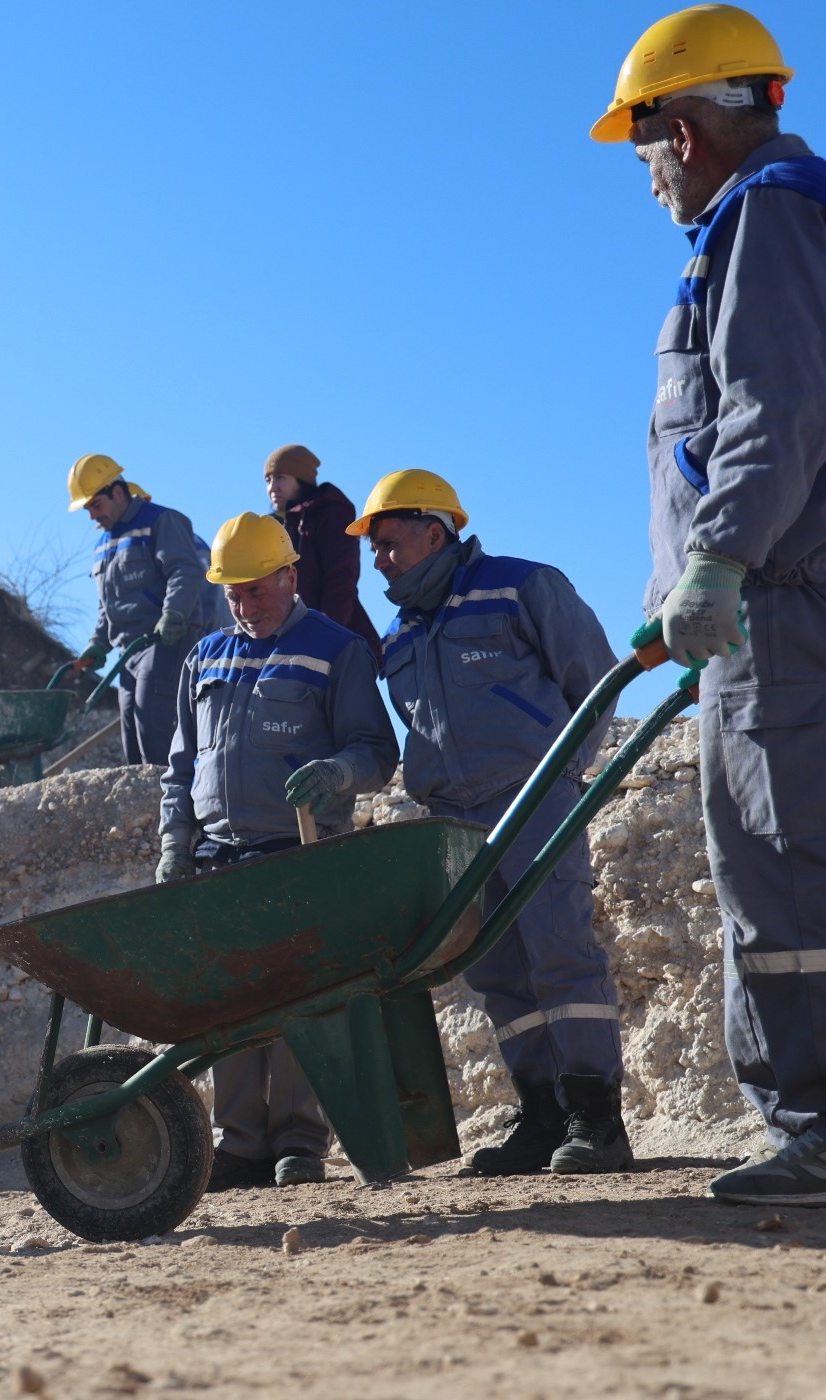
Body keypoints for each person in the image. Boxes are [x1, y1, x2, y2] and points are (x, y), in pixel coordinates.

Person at [592, 6, 826, 1203]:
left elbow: (773, 413)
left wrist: (721, 563)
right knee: (776, 865)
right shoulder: (762, 222)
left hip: (782, 610)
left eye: (642, 152)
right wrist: (675, 590)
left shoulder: (768, 217)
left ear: (682, 129)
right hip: (758, 607)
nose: (646, 179)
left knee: (786, 871)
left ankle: (818, 1126)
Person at [353, 469, 631, 1176]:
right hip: (456, 821)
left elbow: (594, 681)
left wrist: (563, 774)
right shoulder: (400, 636)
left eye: (387, 543)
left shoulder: (522, 585)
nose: (378, 559)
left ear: (435, 531)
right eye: (372, 549)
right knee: (499, 972)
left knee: (561, 950)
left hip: (534, 801)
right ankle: (541, 1114)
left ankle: (595, 1116)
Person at [157, 514, 398, 1189]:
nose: (244, 605)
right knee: (233, 1005)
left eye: (257, 590)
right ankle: (239, 1143)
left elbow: (377, 751)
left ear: (290, 576)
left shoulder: (337, 649)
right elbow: (182, 765)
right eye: (232, 593)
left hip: (302, 854)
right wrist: (177, 844)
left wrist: (336, 775)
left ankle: (299, 1142)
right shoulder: (205, 656)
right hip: (221, 858)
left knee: (299, 1003)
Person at [67, 455, 207, 764]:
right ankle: (145, 809)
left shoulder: (160, 521)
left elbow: (185, 570)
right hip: (127, 652)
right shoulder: (104, 544)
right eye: (87, 509)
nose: (92, 516)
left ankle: (175, 808)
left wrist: (174, 614)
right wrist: (98, 642)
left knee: (153, 731)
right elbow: (107, 604)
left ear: (117, 491)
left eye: (96, 505)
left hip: (163, 642)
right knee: (132, 739)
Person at [263, 444, 383, 663]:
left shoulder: (330, 511)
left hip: (329, 636)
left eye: (280, 478)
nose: (273, 487)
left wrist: (326, 636)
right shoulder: (275, 526)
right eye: (268, 480)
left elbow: (340, 579)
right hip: (288, 638)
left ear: (301, 479)